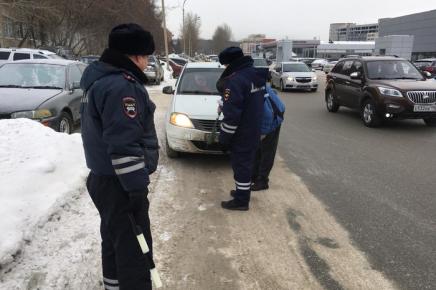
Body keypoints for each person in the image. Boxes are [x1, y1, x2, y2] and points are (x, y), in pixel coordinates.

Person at [80, 23, 159, 290]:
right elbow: (123, 145)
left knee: (114, 241)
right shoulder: (122, 88)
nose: (148, 62)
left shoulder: (100, 81)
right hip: (120, 184)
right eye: (146, 56)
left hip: (104, 178)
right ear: (135, 56)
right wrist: (136, 191)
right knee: (135, 252)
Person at [216, 47, 268, 211]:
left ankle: (241, 201)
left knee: (241, 166)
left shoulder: (235, 81)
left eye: (225, 65)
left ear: (230, 64)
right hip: (254, 128)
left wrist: (224, 139)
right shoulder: (255, 74)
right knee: (246, 164)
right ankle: (241, 192)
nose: (225, 69)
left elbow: (232, 116)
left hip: (242, 132)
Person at [251, 85, 285, 191]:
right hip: (268, 112)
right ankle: (254, 176)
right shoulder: (247, 80)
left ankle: (262, 181)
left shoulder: (252, 90)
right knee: (257, 148)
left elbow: (267, 115)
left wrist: (263, 132)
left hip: (273, 116)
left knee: (267, 151)